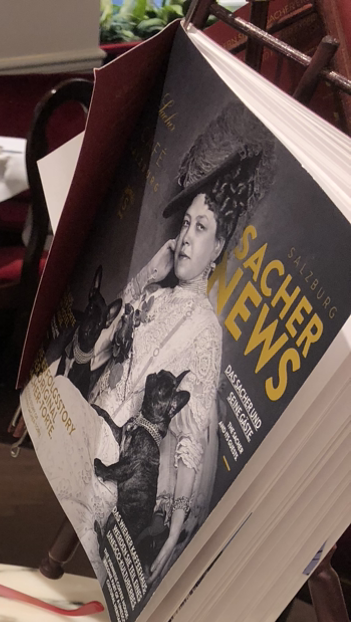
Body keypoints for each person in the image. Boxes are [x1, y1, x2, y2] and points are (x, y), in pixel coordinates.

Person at [49, 105, 272, 582]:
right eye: (186, 223)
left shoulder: (204, 327)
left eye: (202, 228)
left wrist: (172, 537)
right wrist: (146, 278)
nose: (187, 237)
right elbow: (105, 349)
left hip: (119, 462)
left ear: (219, 247)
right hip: (88, 425)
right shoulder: (157, 290)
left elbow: (192, 436)